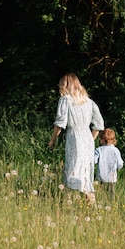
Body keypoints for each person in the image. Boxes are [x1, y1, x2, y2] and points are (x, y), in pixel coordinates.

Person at [49, 73, 104, 204]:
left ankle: (66, 204)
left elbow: (60, 123)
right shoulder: (89, 102)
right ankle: (92, 205)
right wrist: (91, 139)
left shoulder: (66, 100)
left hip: (74, 138)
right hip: (87, 139)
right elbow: (99, 124)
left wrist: (53, 140)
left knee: (72, 169)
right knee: (85, 173)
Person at [94, 128, 124, 201]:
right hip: (112, 178)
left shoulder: (99, 150)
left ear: (103, 139)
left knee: (101, 196)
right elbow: (120, 164)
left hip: (101, 177)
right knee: (111, 195)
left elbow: (93, 161)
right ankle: (112, 207)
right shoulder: (116, 151)